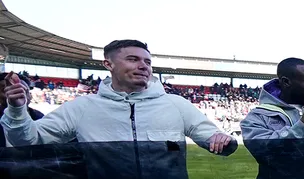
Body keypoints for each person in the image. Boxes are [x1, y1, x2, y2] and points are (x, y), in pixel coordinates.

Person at [1, 40, 235, 153]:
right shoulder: (83, 108)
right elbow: (28, 142)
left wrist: (224, 140)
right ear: (108, 64)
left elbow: (217, 139)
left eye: (147, 62)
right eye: (133, 59)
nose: (143, 66)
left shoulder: (176, 105)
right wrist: (16, 109)